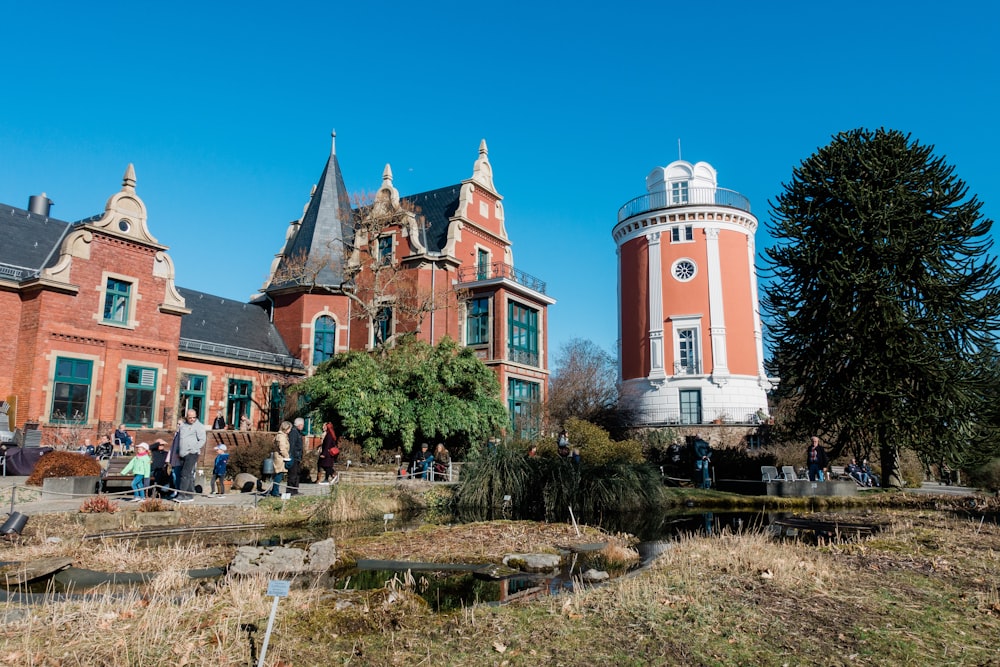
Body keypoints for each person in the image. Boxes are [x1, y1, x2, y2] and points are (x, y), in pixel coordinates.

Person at [176, 409, 206, 502]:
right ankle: (189, 494)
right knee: (188, 474)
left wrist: (193, 449)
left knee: (185, 474)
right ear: (186, 417)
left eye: (194, 417)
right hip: (182, 453)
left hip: (192, 453)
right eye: (190, 417)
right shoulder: (183, 426)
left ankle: (182, 494)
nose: (192, 419)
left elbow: (202, 440)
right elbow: (180, 439)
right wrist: (178, 451)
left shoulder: (199, 426)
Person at [270, 421, 291, 497]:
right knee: (279, 474)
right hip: (280, 458)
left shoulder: (283, 436)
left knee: (279, 474)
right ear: (286, 428)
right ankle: (275, 492)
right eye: (289, 429)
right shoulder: (281, 436)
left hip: (280, 457)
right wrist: (287, 456)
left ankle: (274, 491)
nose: (290, 430)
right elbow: (282, 448)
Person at [286, 417, 305, 495]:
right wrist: (291, 455)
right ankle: (290, 490)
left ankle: (295, 490)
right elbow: (292, 445)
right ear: (299, 425)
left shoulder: (298, 432)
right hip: (294, 456)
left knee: (297, 474)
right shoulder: (294, 432)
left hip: (297, 456)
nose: (303, 426)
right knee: (292, 474)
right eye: (302, 425)